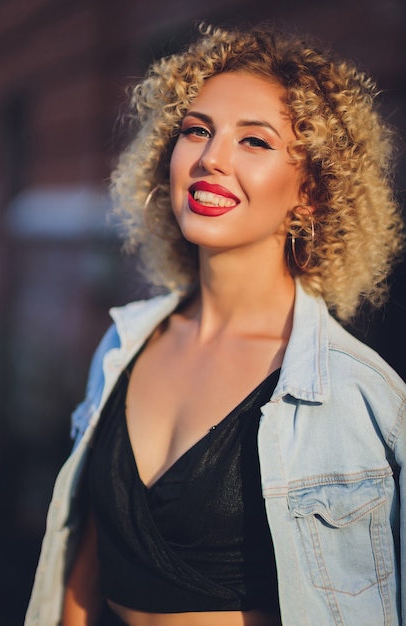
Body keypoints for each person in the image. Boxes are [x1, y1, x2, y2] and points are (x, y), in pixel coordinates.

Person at [25, 22, 405, 626]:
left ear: (309, 190)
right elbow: (86, 565)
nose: (210, 159)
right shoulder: (123, 344)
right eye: (197, 131)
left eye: (254, 142)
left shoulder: (360, 399)